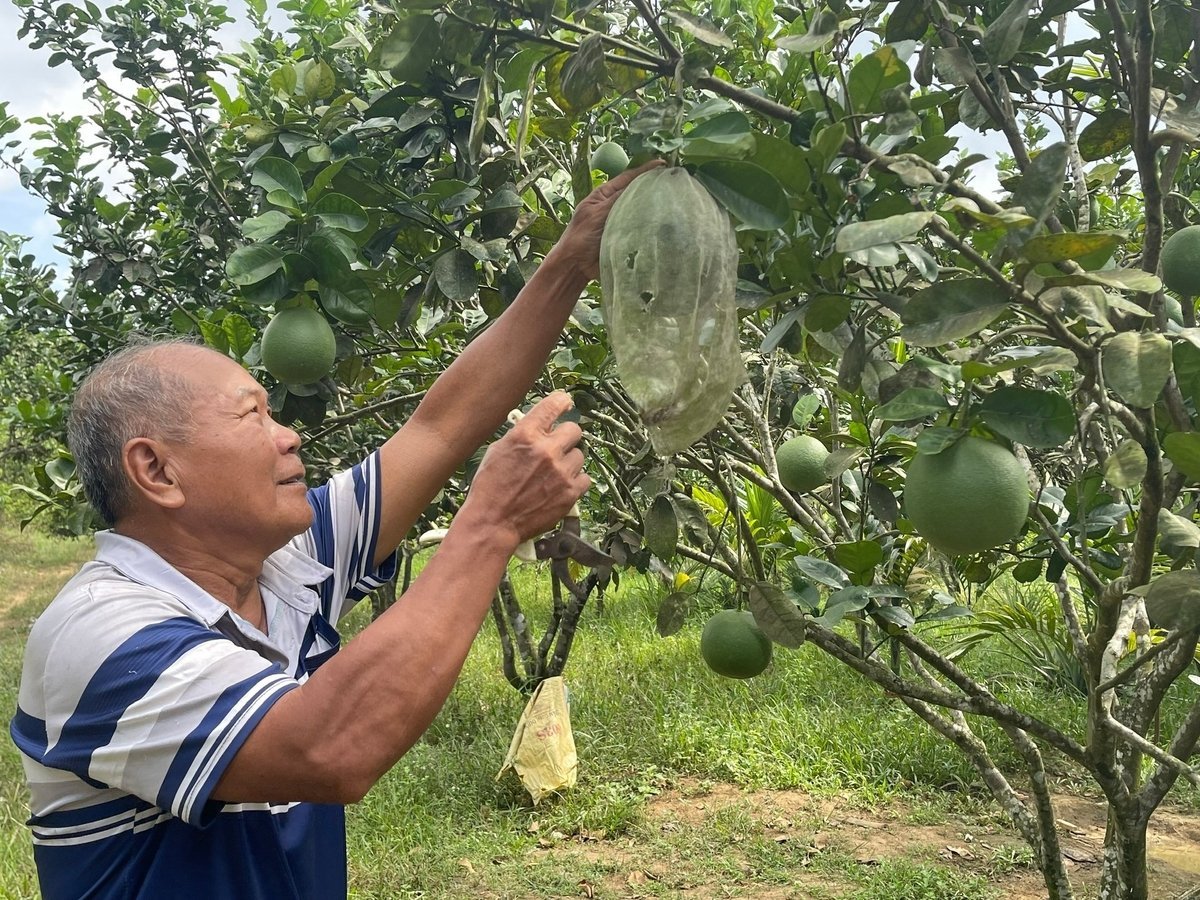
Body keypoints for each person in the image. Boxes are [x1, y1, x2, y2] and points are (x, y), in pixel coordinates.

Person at [9, 161, 661, 900]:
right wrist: (490, 525)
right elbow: (328, 748)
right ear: (157, 471)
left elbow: (441, 426)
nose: (289, 437)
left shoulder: (284, 564)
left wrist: (571, 259)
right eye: (252, 415)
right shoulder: (102, 638)